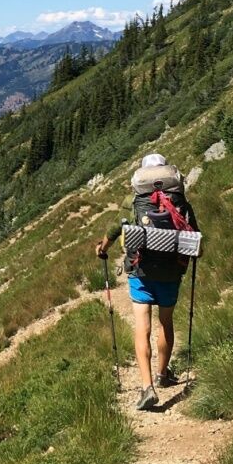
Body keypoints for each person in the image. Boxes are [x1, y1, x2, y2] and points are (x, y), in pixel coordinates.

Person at [95, 152, 199, 410]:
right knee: (165, 321)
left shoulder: (133, 200)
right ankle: (163, 374)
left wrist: (102, 248)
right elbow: (196, 238)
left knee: (142, 327)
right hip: (171, 272)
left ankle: (146, 387)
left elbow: (114, 229)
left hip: (140, 271)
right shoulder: (180, 200)